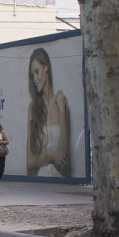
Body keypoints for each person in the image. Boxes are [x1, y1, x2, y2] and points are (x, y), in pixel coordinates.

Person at [26, 47, 71, 177]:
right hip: (42, 183)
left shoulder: (61, 103)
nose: (35, 79)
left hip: (61, 182)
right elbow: (29, 162)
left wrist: (62, 110)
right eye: (32, 75)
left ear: (46, 68)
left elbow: (63, 157)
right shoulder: (33, 109)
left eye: (36, 71)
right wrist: (51, 156)